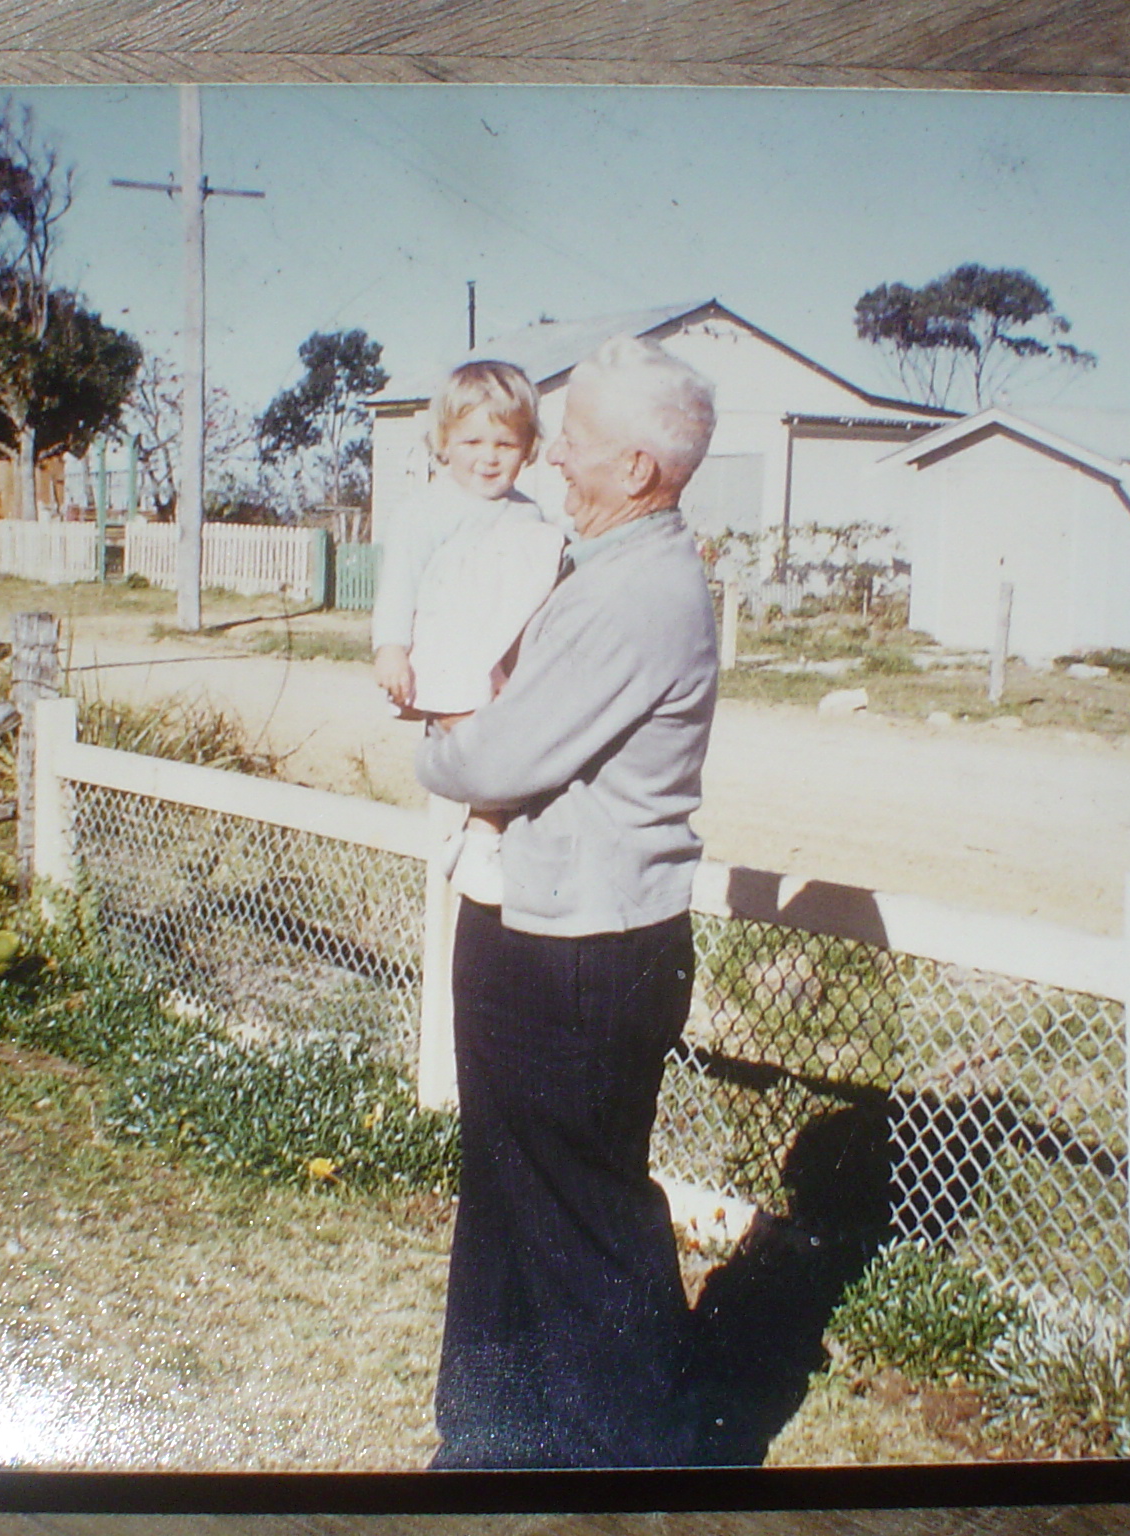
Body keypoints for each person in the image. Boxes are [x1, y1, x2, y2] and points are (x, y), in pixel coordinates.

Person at [416, 334, 721, 1469]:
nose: (554, 463)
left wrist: (444, 747)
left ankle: (645, 1463)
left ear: (637, 470)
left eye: (577, 444)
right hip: (546, 928)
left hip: (579, 945)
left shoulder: (632, 592)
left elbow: (492, 761)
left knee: (581, 1215)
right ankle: (490, 1436)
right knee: (506, 1187)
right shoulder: (609, 575)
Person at [371, 359, 567, 903]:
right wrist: (392, 648)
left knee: (516, 741)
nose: (488, 458)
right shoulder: (426, 511)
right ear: (444, 442)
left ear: (528, 447)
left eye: (505, 444)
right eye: (472, 441)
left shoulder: (532, 516)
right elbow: (399, 586)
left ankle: (484, 835)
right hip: (446, 654)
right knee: (485, 746)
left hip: (506, 655)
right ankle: (480, 841)